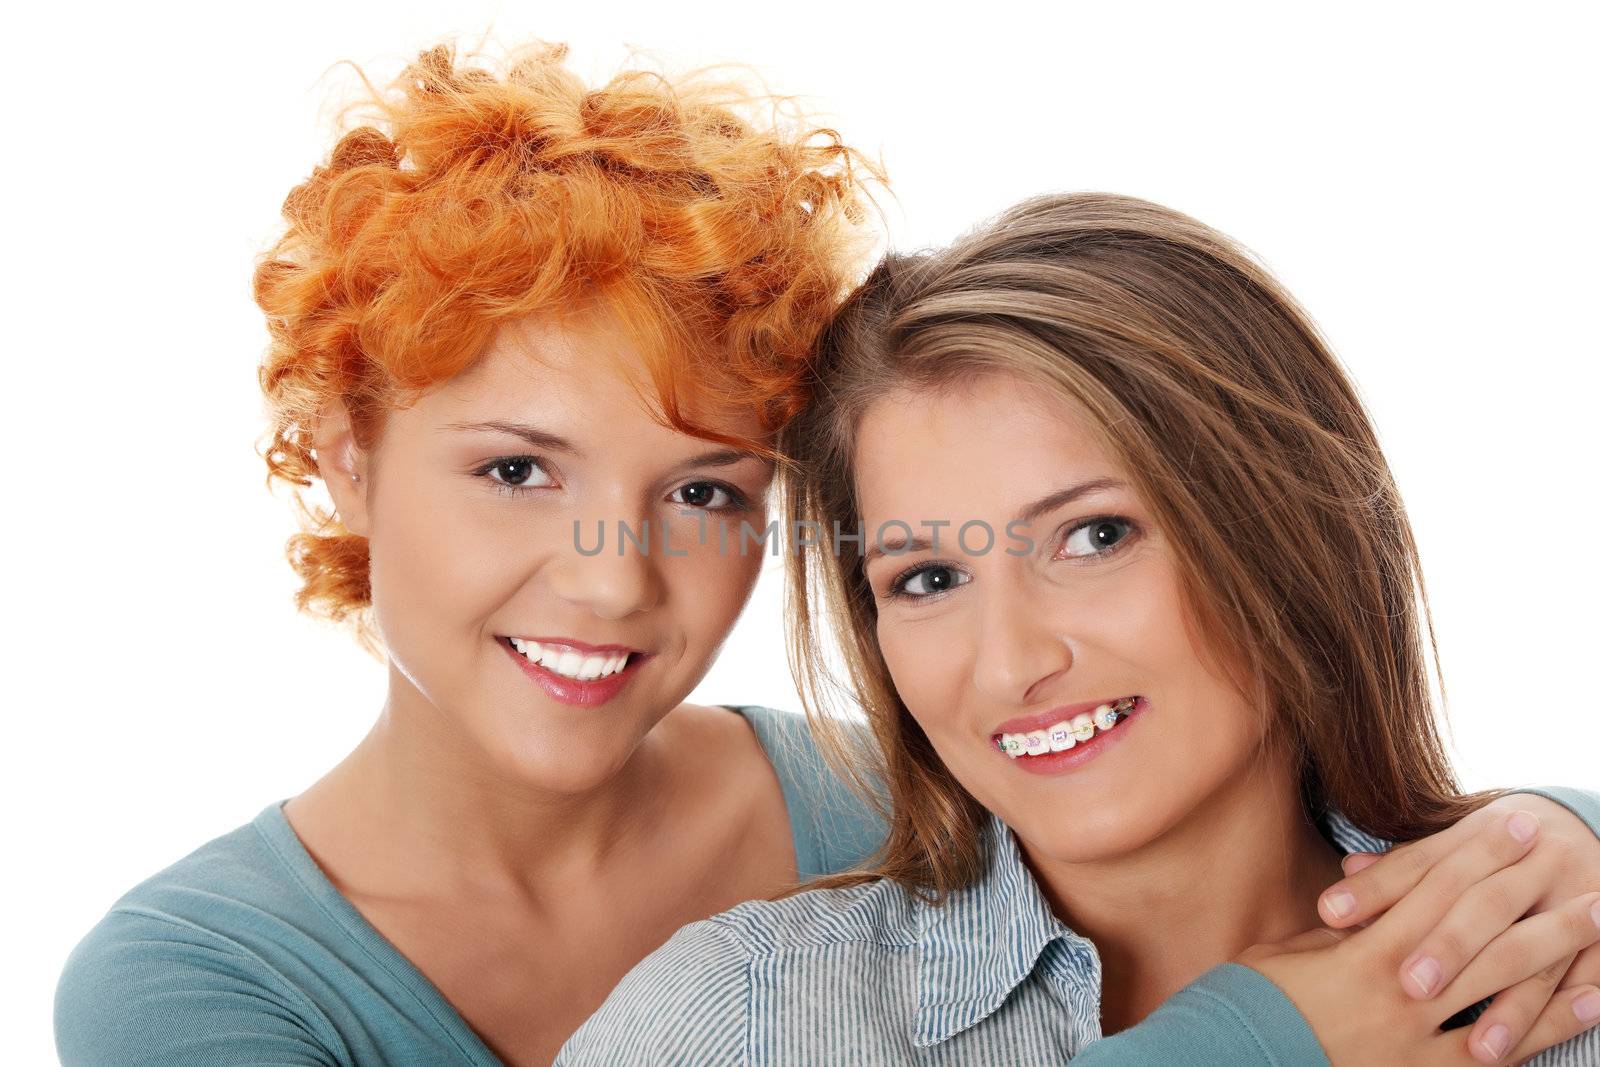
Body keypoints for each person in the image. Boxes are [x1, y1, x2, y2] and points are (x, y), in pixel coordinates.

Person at [555, 193, 1600, 1065]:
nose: (1011, 662)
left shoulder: (1558, 969)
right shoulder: (739, 1021)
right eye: (925, 578)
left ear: (1286, 530)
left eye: (1093, 535)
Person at [53, 41, 884, 1067]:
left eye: (703, 492)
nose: (613, 578)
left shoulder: (900, 809)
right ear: (351, 460)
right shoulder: (193, 979)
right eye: (516, 472)